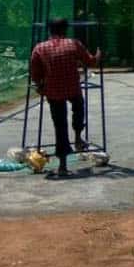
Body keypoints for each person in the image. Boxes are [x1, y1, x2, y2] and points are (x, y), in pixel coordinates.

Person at [28, 17, 100, 177]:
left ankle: (62, 165)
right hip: (73, 88)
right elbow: (90, 61)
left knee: (60, 125)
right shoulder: (74, 44)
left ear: (49, 30)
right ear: (65, 30)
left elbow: (35, 73)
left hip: (53, 91)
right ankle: (78, 137)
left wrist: (40, 87)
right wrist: (98, 56)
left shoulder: (40, 48)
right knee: (79, 107)